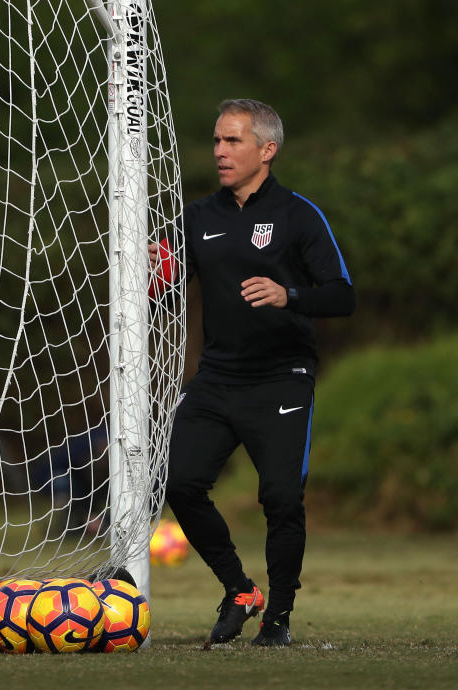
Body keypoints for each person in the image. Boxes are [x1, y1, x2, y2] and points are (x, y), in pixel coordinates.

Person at [152, 99, 354, 646]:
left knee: (282, 499)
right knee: (180, 484)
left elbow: (342, 296)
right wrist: (153, 273)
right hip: (217, 378)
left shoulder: (298, 214)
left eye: (233, 141)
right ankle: (240, 590)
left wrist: (287, 295)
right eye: (217, 140)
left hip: (282, 379)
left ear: (267, 150)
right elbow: (166, 298)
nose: (219, 151)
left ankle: (278, 620)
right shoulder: (196, 217)